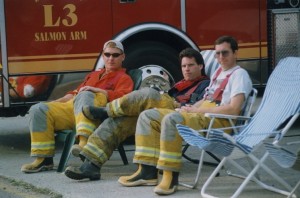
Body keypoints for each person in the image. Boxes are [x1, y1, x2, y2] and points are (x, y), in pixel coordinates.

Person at [117, 35, 253, 195]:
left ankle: (170, 176)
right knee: (148, 116)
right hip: (203, 116)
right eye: (217, 54)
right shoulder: (218, 73)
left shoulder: (239, 75)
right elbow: (206, 99)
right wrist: (190, 108)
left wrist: (198, 111)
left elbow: (233, 109)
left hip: (219, 123)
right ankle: (147, 171)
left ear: (235, 53)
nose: (220, 57)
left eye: (225, 53)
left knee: (172, 120)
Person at [63, 48, 210, 181]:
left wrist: (185, 107)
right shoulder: (180, 85)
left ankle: (106, 110)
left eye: (191, 65)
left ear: (201, 66)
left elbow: (204, 103)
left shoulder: (206, 85)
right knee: (120, 120)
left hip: (180, 113)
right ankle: (91, 164)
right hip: (160, 112)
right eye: (184, 66)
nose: (186, 69)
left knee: (150, 93)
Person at [21, 40, 134, 173]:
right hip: (75, 111)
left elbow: (124, 99)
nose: (111, 58)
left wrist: (98, 91)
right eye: (107, 54)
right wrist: (54, 103)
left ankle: (83, 143)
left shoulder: (124, 78)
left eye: (115, 55)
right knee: (38, 109)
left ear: (123, 57)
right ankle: (43, 160)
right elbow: (74, 94)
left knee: (86, 94)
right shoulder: (93, 75)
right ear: (103, 56)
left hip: (97, 116)